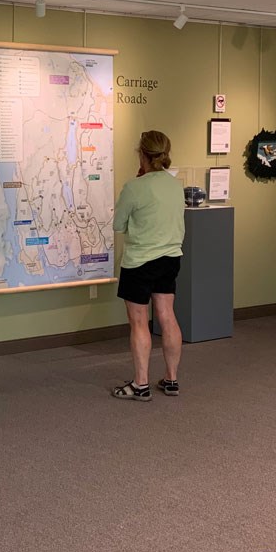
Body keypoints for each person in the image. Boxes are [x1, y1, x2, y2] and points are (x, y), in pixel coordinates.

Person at [111, 130, 185, 401]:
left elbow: (118, 224)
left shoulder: (135, 187)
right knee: (167, 316)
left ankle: (140, 384)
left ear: (142, 154)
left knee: (139, 322)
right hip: (170, 259)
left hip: (140, 262)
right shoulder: (175, 185)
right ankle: (171, 379)